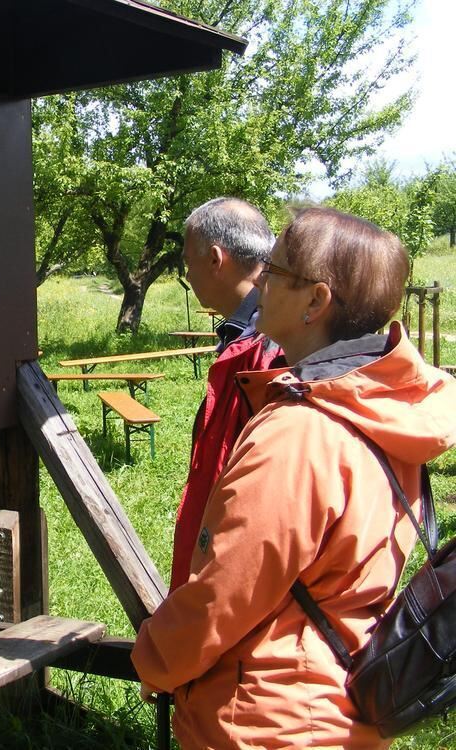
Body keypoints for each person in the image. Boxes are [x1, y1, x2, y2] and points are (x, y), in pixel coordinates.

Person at [132, 207, 456, 748]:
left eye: (275, 272)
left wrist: (154, 657)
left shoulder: (300, 432)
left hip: (263, 719)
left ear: (316, 300)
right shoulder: (382, 408)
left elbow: (225, 592)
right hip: (337, 703)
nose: (259, 282)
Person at [171, 197, 282, 591]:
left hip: (243, 581)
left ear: (216, 259)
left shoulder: (271, 345)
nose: (187, 273)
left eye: (188, 261)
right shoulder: (246, 331)